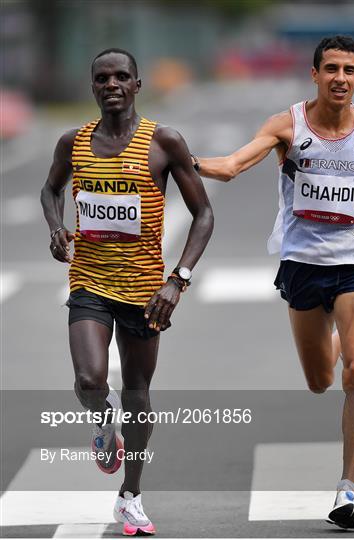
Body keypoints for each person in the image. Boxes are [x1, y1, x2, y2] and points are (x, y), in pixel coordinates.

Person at [192, 35, 354, 530]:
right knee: (320, 380)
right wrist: (182, 163)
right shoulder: (286, 126)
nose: (340, 78)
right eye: (331, 68)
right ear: (314, 75)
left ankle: (348, 490)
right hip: (302, 266)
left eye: (349, 70)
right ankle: (339, 331)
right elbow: (231, 166)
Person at [41, 48, 213, 536]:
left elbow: (203, 213)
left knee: (138, 394)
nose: (111, 84)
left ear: (137, 84)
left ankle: (130, 496)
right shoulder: (72, 142)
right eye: (102, 78)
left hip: (145, 291)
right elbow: (50, 190)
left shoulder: (164, 142)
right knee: (91, 380)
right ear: (92, 86)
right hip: (89, 283)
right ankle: (101, 422)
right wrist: (56, 227)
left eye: (121, 76)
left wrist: (177, 280)